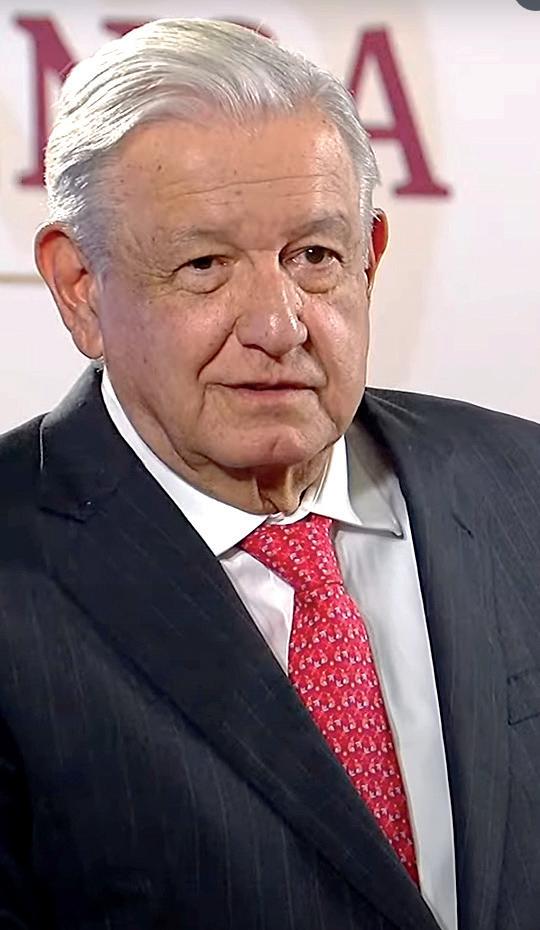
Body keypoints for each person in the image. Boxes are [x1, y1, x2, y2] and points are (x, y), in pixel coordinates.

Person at [0, 16, 539, 930]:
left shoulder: (522, 487)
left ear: (370, 259)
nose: (279, 325)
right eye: (205, 266)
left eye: (313, 257)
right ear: (80, 288)